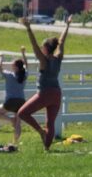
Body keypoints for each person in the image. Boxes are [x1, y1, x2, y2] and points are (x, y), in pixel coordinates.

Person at [17, 15, 70, 150]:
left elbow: (34, 46)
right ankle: (47, 148)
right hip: (56, 93)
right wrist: (67, 25)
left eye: (43, 46)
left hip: (44, 93)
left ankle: (41, 132)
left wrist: (29, 29)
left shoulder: (44, 61)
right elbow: (62, 41)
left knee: (22, 113)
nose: (41, 48)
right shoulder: (58, 58)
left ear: (46, 48)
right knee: (50, 122)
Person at [0, 47, 28, 146]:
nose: (11, 66)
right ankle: (15, 142)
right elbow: (26, 65)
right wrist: (23, 53)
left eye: (12, 65)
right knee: (18, 123)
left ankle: (10, 120)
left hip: (10, 102)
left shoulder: (9, 75)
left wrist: (1, 57)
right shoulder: (24, 75)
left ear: (16, 67)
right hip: (21, 101)